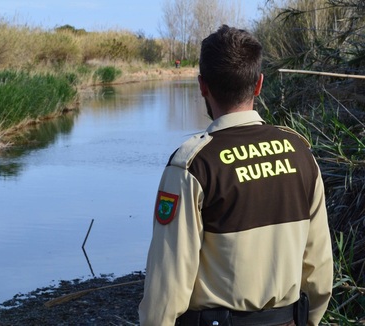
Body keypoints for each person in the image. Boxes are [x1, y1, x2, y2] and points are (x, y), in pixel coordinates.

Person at [138, 25, 333, 326]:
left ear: (203, 86)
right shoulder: (301, 155)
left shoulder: (193, 166)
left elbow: (167, 286)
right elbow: (319, 273)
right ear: (259, 85)